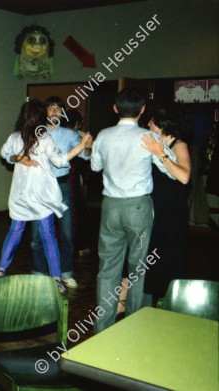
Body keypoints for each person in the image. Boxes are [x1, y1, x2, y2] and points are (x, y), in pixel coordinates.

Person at [91, 88, 176, 333]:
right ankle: (135, 328)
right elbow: (172, 171)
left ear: (115, 109)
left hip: (110, 207)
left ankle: (102, 329)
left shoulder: (103, 135)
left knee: (108, 269)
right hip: (138, 207)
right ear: (142, 110)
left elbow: (95, 167)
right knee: (139, 268)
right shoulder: (148, 138)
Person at [0, 100, 92, 293]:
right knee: (48, 236)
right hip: (42, 195)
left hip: (20, 195)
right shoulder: (45, 138)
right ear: (40, 117)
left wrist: (16, 157)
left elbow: (3, 153)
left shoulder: (15, 137)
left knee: (15, 232)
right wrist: (82, 144)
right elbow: (59, 160)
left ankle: (0, 270)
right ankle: (56, 278)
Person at [30, 97, 91, 289]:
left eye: (58, 109)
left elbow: (86, 155)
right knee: (36, 235)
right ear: (44, 112)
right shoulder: (35, 134)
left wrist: (88, 146)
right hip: (39, 186)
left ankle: (66, 273)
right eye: (50, 108)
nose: (55, 112)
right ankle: (39, 272)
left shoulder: (70, 135)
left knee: (66, 232)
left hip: (61, 185)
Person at [141, 103, 191, 301]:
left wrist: (161, 154)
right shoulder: (152, 141)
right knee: (152, 252)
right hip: (154, 205)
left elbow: (184, 177)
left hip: (172, 208)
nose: (149, 124)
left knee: (167, 252)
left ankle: (168, 299)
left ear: (163, 123)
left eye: (152, 120)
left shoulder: (179, 144)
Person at [63, 108, 93, 257]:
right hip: (71, 176)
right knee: (77, 209)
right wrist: (88, 146)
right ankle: (79, 245)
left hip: (66, 176)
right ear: (77, 123)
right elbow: (87, 157)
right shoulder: (79, 136)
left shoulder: (59, 134)